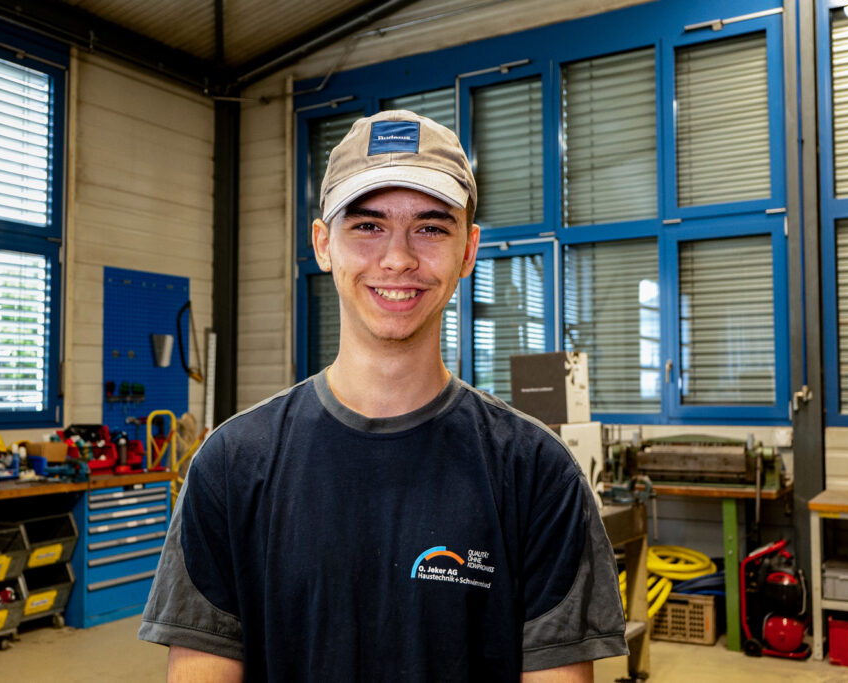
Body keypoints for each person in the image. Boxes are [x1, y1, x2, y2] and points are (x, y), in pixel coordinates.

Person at [139, 110, 628, 682]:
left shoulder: (536, 473)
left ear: (469, 251)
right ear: (324, 244)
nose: (398, 258)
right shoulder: (231, 466)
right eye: (368, 226)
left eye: (431, 227)